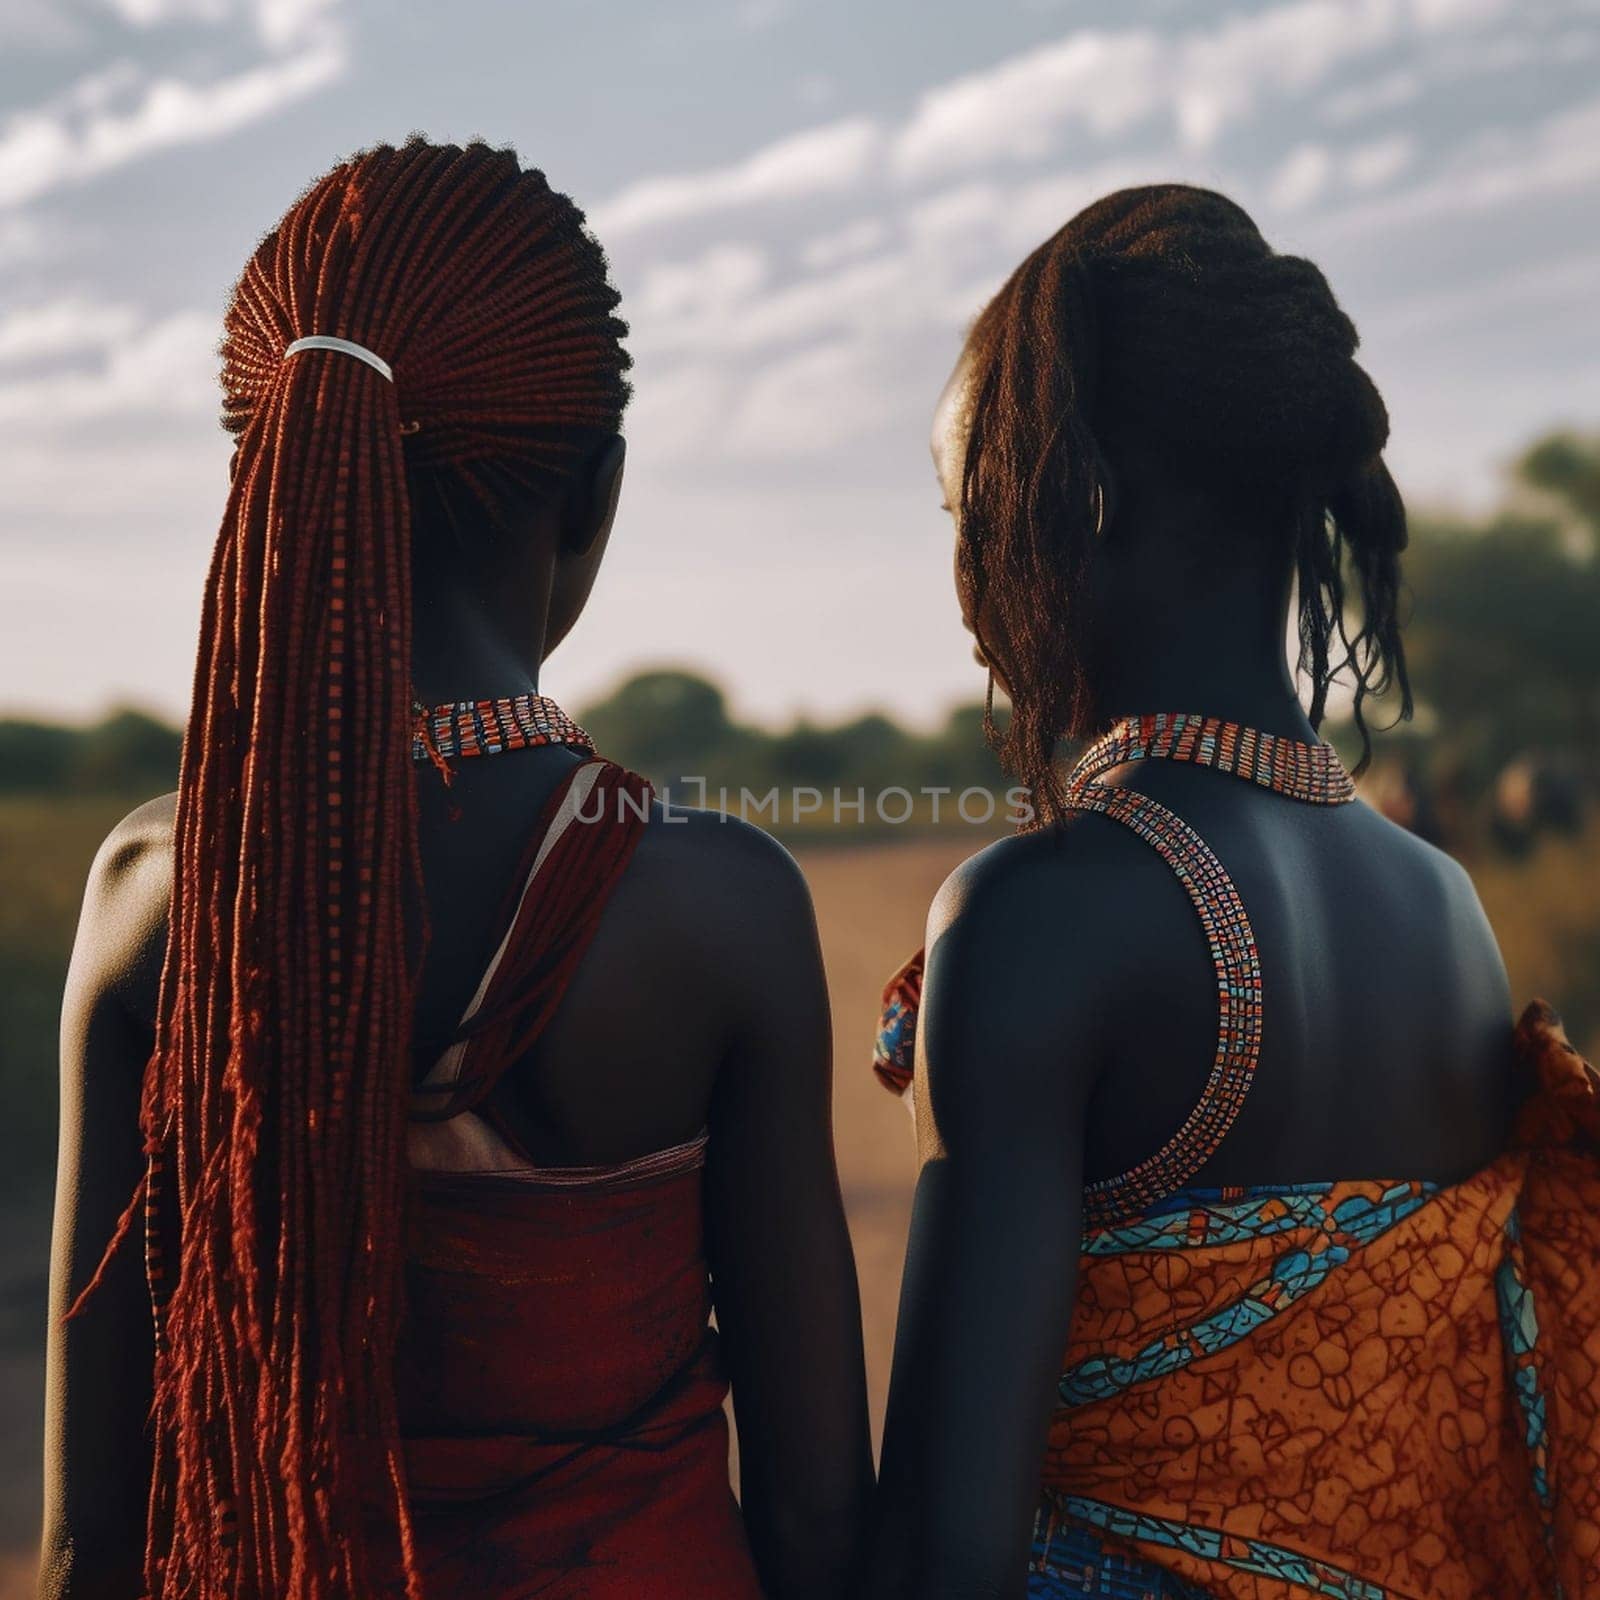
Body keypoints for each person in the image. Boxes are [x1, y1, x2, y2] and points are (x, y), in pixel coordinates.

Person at [41, 138, 872, 1600]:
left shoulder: (155, 896)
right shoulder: (716, 907)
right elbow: (813, 1518)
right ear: (594, 495)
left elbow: (93, 1535)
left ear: (269, 480)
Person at [866, 185, 1600, 1599]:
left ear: (1079, 499)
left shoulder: (1047, 913)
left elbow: (946, 1556)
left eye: (971, 510)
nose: (964, 584)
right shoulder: (1448, 907)